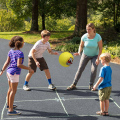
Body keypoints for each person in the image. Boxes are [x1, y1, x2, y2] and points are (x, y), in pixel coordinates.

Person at [0, 36, 34, 115]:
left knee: (10, 89)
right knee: (13, 91)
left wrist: (2, 70)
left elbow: (7, 62)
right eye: (23, 42)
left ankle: (9, 105)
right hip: (14, 73)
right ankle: (11, 110)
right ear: (20, 43)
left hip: (9, 72)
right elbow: (19, 65)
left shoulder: (11, 51)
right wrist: (29, 68)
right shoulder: (20, 53)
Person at [67, 23, 102, 90]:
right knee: (80, 69)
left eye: (89, 29)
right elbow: (81, 45)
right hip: (85, 54)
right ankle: (74, 84)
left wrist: (98, 58)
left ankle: (91, 85)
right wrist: (79, 52)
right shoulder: (84, 36)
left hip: (95, 55)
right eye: (87, 29)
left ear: (93, 29)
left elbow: (100, 48)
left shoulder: (98, 37)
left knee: (93, 70)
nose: (87, 31)